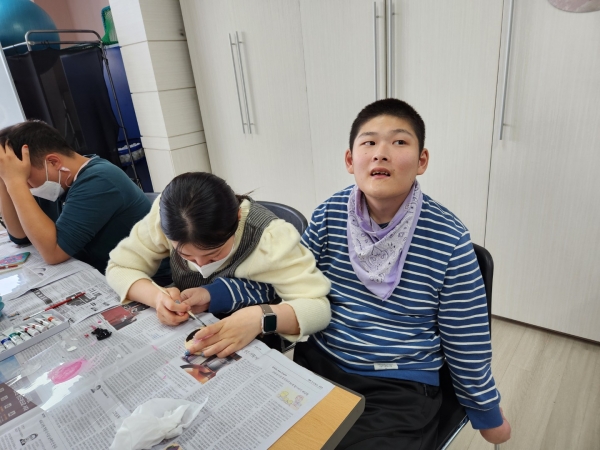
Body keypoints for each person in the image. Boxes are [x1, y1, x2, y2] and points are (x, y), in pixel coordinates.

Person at [294, 99, 511, 448]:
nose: (381, 153)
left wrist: (486, 410)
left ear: (422, 161)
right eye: (369, 142)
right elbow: (289, 278)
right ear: (350, 160)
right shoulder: (329, 214)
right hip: (320, 364)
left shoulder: (449, 237)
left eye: (398, 142)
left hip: (399, 385)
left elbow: (465, 338)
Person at [105, 171, 331, 358]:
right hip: (196, 327)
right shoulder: (165, 217)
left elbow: (318, 309)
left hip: (255, 338)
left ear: (238, 217)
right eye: (186, 255)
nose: (201, 265)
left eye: (214, 255)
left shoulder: (270, 238)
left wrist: (260, 318)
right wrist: (157, 298)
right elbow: (119, 267)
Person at [0, 120, 170, 278]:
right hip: (103, 273)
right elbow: (20, 235)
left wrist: (16, 183)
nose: (27, 186)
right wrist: (4, 179)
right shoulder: (57, 182)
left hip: (147, 282)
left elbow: (53, 253)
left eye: (26, 176)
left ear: (53, 162)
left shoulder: (99, 179)